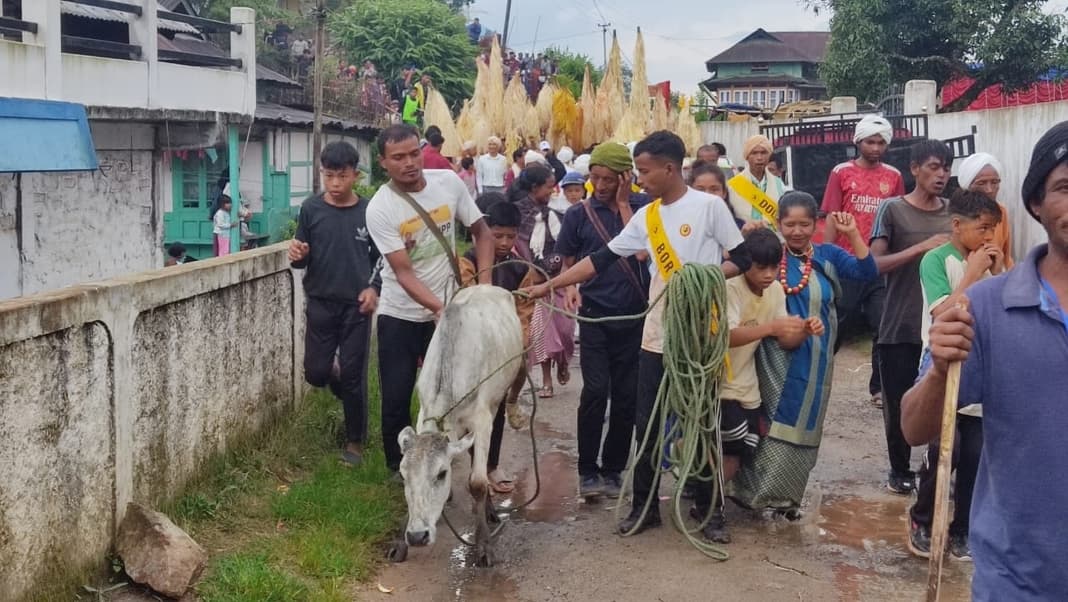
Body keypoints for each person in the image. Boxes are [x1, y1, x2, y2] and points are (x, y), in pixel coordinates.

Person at [524, 131, 750, 539]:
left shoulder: (710, 208)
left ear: (668, 168)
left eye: (644, 171)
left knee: (700, 420)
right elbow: (600, 260)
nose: (639, 179)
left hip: (698, 333)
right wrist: (549, 286)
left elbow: (744, 258)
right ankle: (644, 505)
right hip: (657, 334)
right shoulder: (647, 217)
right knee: (646, 422)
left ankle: (709, 509)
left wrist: (703, 277)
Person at [901, 121, 1068, 600]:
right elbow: (914, 428)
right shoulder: (989, 307)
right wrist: (938, 367)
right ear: (1035, 203)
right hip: (1018, 583)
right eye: (1064, 186)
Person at [730, 192, 877, 515]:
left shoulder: (828, 256)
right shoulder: (770, 256)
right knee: (772, 419)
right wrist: (741, 239)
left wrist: (852, 232)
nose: (797, 231)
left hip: (818, 353)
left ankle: (788, 498)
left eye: (804, 224)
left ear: (816, 224)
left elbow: (868, 273)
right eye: (789, 224)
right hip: (774, 355)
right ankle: (749, 492)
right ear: (779, 223)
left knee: (808, 421)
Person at [366, 125, 494, 472]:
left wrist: (484, 288)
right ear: (383, 163)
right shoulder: (380, 208)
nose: (409, 163)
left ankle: (482, 469)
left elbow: (482, 234)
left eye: (413, 153)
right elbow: (403, 272)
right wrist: (438, 308)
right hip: (401, 314)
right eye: (398, 157)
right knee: (397, 397)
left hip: (452, 310)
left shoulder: (448, 184)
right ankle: (402, 472)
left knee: (470, 392)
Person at [905, 189, 1004, 561]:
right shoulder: (936, 260)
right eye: (983, 229)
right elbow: (942, 313)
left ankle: (962, 529)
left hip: (980, 362)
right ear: (958, 225)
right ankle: (923, 519)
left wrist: (994, 271)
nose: (989, 238)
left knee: (977, 452)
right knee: (947, 445)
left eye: (993, 229)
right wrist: (974, 273)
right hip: (942, 358)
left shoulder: (995, 263)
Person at [554, 142, 650, 499]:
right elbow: (567, 260)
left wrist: (625, 204)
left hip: (635, 316)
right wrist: (572, 286)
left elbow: (642, 251)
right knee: (596, 391)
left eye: (609, 178)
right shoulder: (579, 214)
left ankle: (613, 468)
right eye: (595, 177)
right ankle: (586, 469)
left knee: (627, 396)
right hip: (594, 314)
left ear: (626, 178)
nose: (600, 184)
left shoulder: (644, 208)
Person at [715, 227, 820, 541]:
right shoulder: (729, 288)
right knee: (729, 447)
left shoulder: (775, 291)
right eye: (761, 267)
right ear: (745, 263)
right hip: (718, 383)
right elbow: (726, 336)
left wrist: (803, 329)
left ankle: (710, 499)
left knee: (741, 449)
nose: (769, 274)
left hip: (746, 384)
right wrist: (772, 326)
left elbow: (783, 338)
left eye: (774, 268)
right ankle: (711, 507)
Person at [288, 141, 381, 466]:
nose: (335, 184)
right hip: (320, 301)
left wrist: (374, 289)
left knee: (355, 376)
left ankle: (354, 441)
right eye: (329, 177)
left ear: (355, 175)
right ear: (322, 174)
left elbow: (381, 259)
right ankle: (342, 383)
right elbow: (301, 259)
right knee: (316, 373)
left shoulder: (369, 211)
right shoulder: (311, 209)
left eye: (342, 177)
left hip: (357, 306)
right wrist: (298, 255)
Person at [869, 139, 953, 495]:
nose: (941, 174)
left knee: (947, 400)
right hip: (902, 321)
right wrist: (920, 247)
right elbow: (873, 264)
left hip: (942, 323)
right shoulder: (892, 210)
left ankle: (938, 470)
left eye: (946, 168)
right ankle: (899, 468)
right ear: (915, 169)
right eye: (933, 167)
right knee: (899, 399)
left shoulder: (955, 211)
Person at [821, 115, 905, 410]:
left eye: (881, 142)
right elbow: (832, 214)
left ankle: (879, 388)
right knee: (836, 324)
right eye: (871, 141)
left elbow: (898, 218)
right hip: (846, 264)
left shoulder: (894, 176)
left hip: (878, 265)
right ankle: (818, 380)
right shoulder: (841, 172)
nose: (876, 147)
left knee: (883, 325)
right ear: (858, 142)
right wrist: (825, 257)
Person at [458, 199, 534, 494]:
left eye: (510, 236)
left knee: (496, 408)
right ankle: (472, 466)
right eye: (497, 235)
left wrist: (521, 339)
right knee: (469, 409)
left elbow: (524, 309)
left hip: (503, 351)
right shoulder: (466, 261)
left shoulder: (520, 268)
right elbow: (465, 301)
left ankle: (490, 466)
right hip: (472, 348)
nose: (503, 243)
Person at [511, 164, 574, 398]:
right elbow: (515, 247)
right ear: (535, 187)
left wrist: (555, 265)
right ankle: (547, 380)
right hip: (532, 282)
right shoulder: (517, 215)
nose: (553, 190)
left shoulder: (559, 214)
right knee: (543, 330)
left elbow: (567, 246)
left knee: (566, 329)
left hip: (560, 278)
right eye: (549, 186)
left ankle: (564, 359)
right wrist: (532, 273)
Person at [956, 152, 1014, 268]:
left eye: (994, 182)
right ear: (967, 185)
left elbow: (1006, 256)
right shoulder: (957, 215)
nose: (989, 189)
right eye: (981, 183)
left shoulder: (1001, 212)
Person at [728, 135, 787, 230]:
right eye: (754, 153)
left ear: (769, 155)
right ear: (747, 156)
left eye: (763, 153)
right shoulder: (732, 186)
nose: (759, 157)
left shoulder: (779, 185)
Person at [689, 160, 744, 230]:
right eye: (701, 189)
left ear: (724, 193)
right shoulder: (682, 225)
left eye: (714, 189)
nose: (707, 195)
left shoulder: (740, 227)